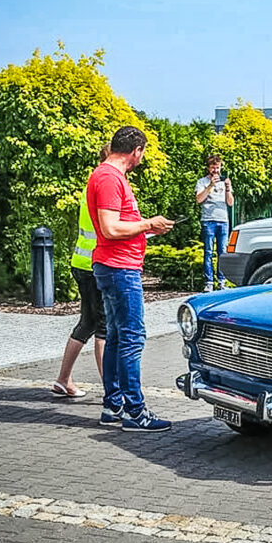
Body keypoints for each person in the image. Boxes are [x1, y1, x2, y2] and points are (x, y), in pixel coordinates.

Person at [87, 126, 174, 432]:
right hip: (119, 269)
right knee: (132, 338)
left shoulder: (107, 176)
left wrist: (148, 228)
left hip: (115, 266)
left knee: (115, 337)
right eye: (143, 152)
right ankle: (136, 412)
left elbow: (119, 225)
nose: (142, 157)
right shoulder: (110, 178)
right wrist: (148, 223)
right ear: (136, 150)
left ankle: (113, 407)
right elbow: (110, 228)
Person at [50, 145, 110, 398]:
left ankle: (63, 379)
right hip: (95, 265)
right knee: (103, 328)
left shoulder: (92, 184)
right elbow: (109, 228)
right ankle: (111, 390)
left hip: (82, 263)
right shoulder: (105, 185)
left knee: (87, 323)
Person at [195, 154, 234, 292]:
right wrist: (210, 185)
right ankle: (209, 282)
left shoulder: (225, 182)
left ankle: (222, 282)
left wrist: (228, 188)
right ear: (208, 168)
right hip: (208, 221)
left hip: (223, 220)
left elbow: (230, 203)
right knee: (208, 252)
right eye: (213, 168)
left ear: (221, 167)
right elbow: (199, 199)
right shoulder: (202, 182)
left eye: (217, 168)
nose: (215, 171)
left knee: (222, 252)